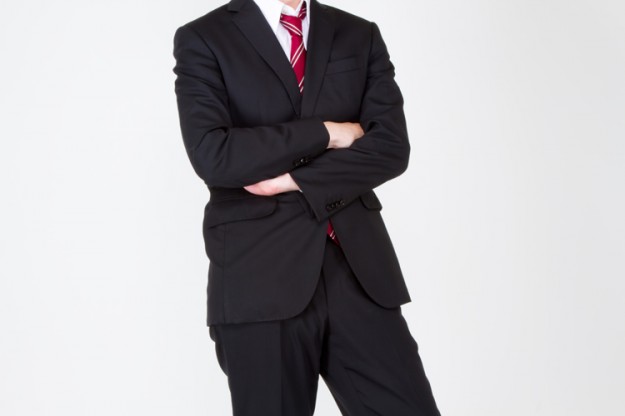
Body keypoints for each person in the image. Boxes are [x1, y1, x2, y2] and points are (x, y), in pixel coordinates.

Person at [173, 0, 442, 414]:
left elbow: (390, 147)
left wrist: (293, 180)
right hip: (260, 275)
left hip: (357, 269)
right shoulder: (204, 38)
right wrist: (327, 133)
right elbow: (215, 154)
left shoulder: (359, 33)